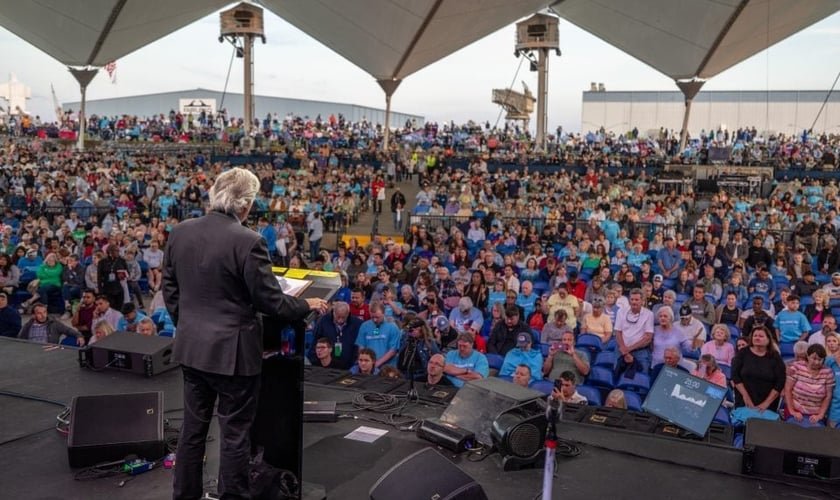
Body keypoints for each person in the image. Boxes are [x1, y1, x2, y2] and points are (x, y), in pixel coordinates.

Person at [162, 167, 328, 500]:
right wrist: (308, 303)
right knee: (235, 435)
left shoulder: (179, 232)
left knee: (192, 432)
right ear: (246, 205)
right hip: (233, 357)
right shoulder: (249, 241)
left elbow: (170, 288)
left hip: (192, 350)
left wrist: (190, 323)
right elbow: (271, 302)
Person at [731, 326, 787, 411]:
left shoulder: (775, 356)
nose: (757, 338)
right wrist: (745, 396)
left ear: (768, 339)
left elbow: (780, 381)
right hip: (744, 400)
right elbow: (735, 376)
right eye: (755, 336)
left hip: (768, 405)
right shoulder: (743, 353)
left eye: (761, 336)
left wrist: (766, 403)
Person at [784, 344, 835, 425]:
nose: (817, 362)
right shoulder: (797, 367)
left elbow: (828, 396)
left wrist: (820, 415)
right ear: (807, 356)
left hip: (815, 414)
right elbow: (787, 389)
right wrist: (792, 411)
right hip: (795, 411)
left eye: (820, 359)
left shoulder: (828, 372)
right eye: (814, 358)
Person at [309, 301, 361, 369]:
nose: (340, 320)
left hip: (349, 366)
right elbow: (315, 342)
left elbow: (359, 345)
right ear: (333, 312)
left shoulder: (357, 324)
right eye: (338, 317)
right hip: (326, 366)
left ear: (348, 314)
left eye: (343, 317)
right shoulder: (323, 321)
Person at [614, 288, 654, 376]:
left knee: (641, 378)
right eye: (632, 299)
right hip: (621, 350)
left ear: (642, 301)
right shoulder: (621, 311)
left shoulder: (649, 314)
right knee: (617, 376)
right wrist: (624, 349)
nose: (634, 302)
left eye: (636, 299)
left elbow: (648, 337)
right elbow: (618, 331)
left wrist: (629, 349)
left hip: (639, 352)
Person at [355, 301, 402, 368]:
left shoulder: (392, 327)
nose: (375, 320)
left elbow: (393, 350)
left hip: (387, 368)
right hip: (369, 367)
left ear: (383, 313)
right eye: (372, 317)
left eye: (377, 317)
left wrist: (376, 364)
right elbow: (361, 347)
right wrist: (364, 362)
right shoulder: (364, 326)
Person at [17, 303, 84, 346]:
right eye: (39, 313)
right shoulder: (27, 326)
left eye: (44, 312)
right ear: (33, 315)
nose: (43, 315)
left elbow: (68, 330)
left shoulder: (54, 324)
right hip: (32, 352)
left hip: (48, 353)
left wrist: (79, 336)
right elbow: (19, 340)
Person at [97, 244, 128, 310]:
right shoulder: (102, 262)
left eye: (118, 251)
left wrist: (123, 275)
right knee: (110, 309)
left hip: (119, 287)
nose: (118, 252)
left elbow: (127, 272)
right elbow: (99, 277)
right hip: (107, 288)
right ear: (110, 252)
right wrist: (100, 291)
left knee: (119, 308)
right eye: (116, 251)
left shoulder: (122, 261)